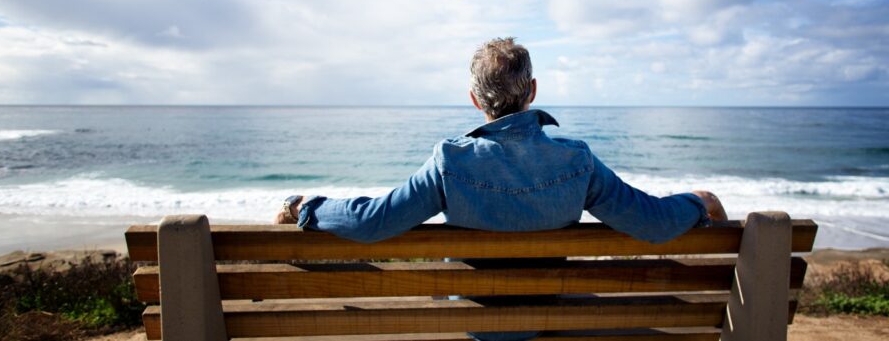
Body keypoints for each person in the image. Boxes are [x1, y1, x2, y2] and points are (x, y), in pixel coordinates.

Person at [275, 37, 727, 340]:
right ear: (532, 90)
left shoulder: (450, 161)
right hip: (541, 318)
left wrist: (303, 207)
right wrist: (699, 202)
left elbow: (371, 222)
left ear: (474, 99)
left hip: (475, 323)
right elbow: (652, 223)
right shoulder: (577, 160)